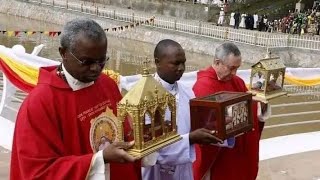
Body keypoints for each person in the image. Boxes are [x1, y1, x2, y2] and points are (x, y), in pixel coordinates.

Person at [10, 18, 141, 180]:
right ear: (63, 53)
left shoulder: (107, 85)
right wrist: (100, 159)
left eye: (101, 61)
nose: (95, 69)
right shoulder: (40, 103)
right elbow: (38, 171)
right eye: (86, 62)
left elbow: (125, 133)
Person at [141, 39, 222, 180]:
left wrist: (217, 124)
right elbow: (149, 148)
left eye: (183, 62)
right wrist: (189, 140)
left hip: (184, 168)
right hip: (156, 172)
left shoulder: (187, 91)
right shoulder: (145, 97)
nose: (181, 68)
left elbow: (196, 125)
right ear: (158, 62)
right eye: (175, 63)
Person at [192, 42, 269, 180]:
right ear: (217, 62)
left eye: (237, 68)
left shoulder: (236, 81)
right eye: (231, 68)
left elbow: (248, 105)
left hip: (239, 151)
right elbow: (206, 126)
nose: (234, 73)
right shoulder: (203, 86)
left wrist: (260, 106)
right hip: (221, 154)